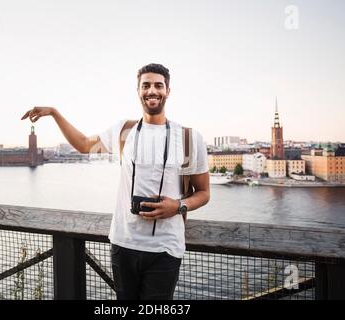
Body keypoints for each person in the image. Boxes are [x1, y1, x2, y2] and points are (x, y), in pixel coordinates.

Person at [21, 63, 210, 300]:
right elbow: (83, 145)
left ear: (168, 91)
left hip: (166, 247)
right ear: (138, 91)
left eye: (158, 85)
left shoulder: (189, 138)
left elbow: (203, 192)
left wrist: (178, 206)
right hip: (124, 243)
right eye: (146, 85)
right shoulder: (124, 130)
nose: (152, 90)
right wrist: (55, 113)